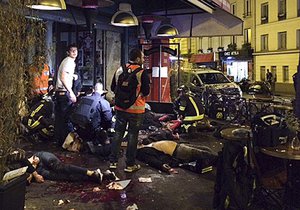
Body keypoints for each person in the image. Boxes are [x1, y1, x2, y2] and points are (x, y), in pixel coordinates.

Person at [109, 48, 150, 172]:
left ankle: (113, 162)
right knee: (132, 136)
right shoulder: (141, 73)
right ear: (137, 59)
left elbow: (112, 87)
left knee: (118, 133)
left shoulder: (120, 69)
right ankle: (130, 165)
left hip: (120, 108)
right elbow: (146, 91)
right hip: (135, 111)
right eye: (142, 57)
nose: (143, 59)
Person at [26, 151, 116, 184]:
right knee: (66, 177)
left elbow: (30, 161)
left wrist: (33, 169)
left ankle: (89, 172)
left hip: (39, 158)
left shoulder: (16, 162)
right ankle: (102, 175)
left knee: (60, 167)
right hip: (39, 170)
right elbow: (27, 179)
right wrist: (34, 173)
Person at [136, 140, 216, 174]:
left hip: (179, 146)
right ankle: (223, 161)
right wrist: (161, 166)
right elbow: (151, 160)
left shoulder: (147, 143)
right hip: (178, 151)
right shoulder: (142, 152)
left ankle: (219, 160)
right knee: (204, 154)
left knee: (206, 149)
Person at [54, 44, 78, 146]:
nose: (74, 53)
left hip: (59, 93)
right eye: (72, 51)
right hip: (64, 93)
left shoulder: (65, 61)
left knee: (59, 119)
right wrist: (71, 93)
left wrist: (73, 76)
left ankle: (58, 141)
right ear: (68, 52)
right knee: (66, 119)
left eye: (76, 50)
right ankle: (66, 143)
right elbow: (63, 77)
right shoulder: (69, 62)